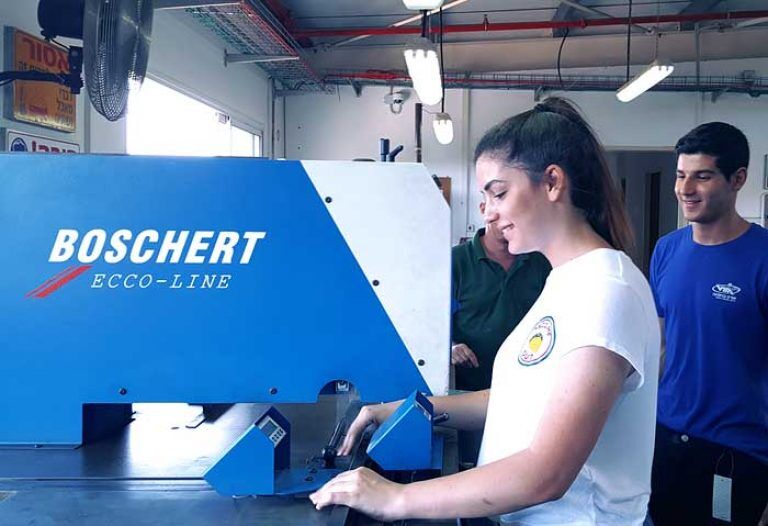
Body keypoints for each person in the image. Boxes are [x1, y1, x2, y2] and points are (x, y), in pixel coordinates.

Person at [309, 97, 659, 525]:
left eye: (499, 193)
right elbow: (515, 401)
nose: (489, 213)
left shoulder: (607, 290)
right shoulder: (565, 280)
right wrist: (407, 409)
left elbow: (547, 474)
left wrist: (396, 498)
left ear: (552, 183)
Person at [648, 122, 768, 526]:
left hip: (736, 451)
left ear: (738, 179)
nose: (685, 188)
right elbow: (662, 346)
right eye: (681, 175)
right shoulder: (667, 250)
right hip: (666, 439)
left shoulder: (763, 257)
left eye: (702, 176)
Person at [451, 201, 550, 394]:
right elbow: (433, 324)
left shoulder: (540, 262)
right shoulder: (455, 261)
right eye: (502, 211)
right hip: (469, 389)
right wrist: (451, 347)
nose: (509, 221)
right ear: (483, 209)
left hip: (526, 388)